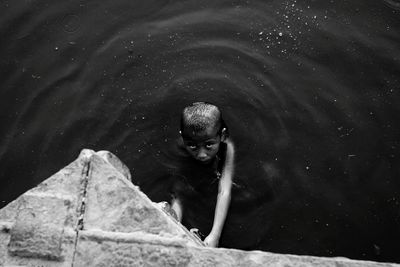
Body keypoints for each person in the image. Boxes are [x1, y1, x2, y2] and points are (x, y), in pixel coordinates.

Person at [169, 102, 235, 248]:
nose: (201, 154)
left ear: (222, 135)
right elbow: (179, 193)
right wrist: (173, 228)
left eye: (209, 145)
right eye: (192, 146)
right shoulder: (181, 145)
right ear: (183, 138)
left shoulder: (227, 147)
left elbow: (224, 190)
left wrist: (215, 235)